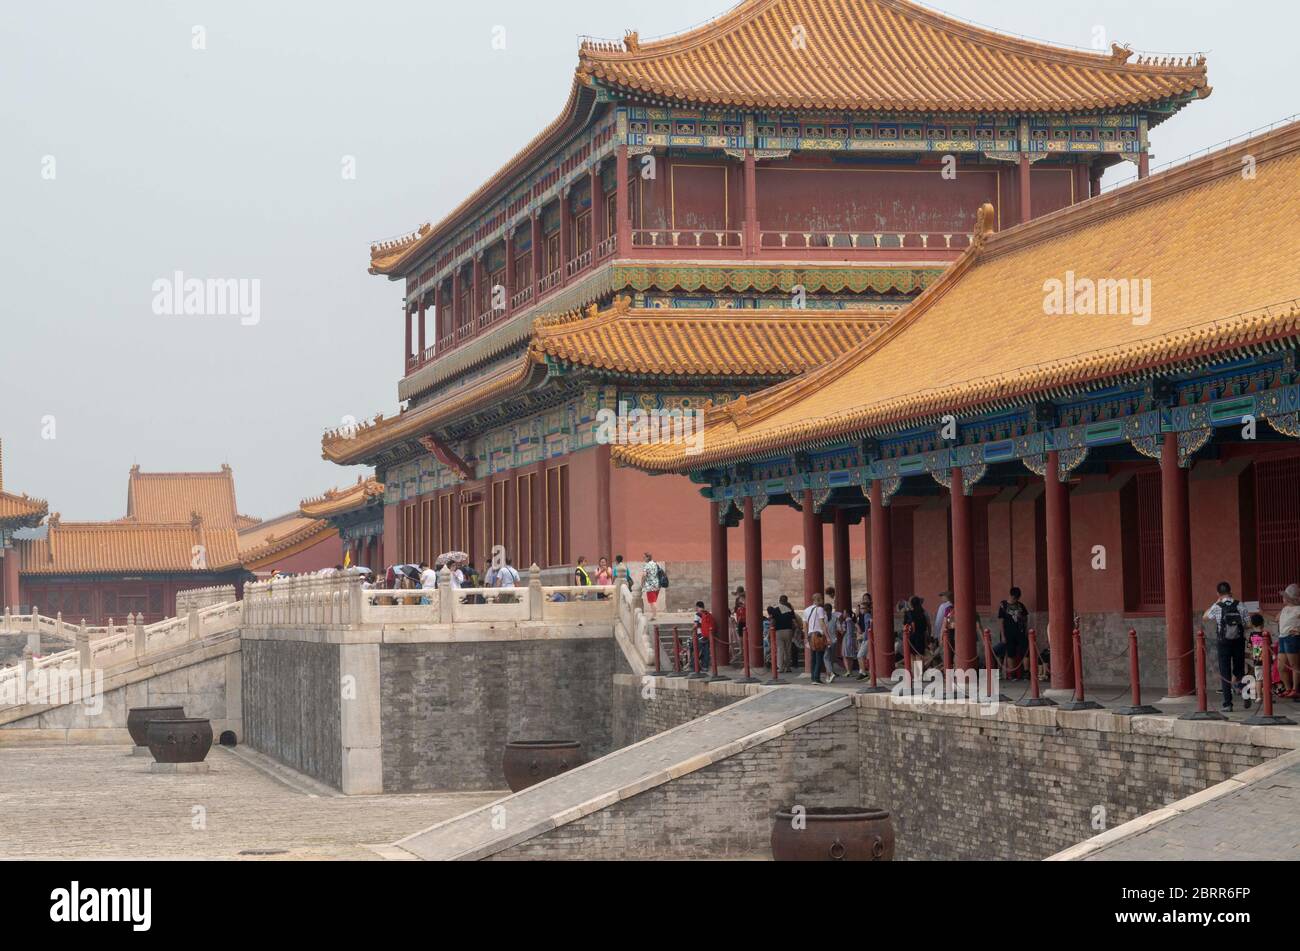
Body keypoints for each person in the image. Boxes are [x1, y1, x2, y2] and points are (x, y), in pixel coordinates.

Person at [1204, 581, 1247, 712]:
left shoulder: (1217, 606)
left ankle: (1228, 704)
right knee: (1239, 669)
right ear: (1230, 591)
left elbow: (1205, 617)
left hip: (1223, 643)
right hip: (1238, 641)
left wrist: (1217, 601)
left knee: (1225, 671)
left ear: (1218, 593)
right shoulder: (1240, 605)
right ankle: (1242, 689)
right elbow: (1247, 623)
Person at [995, 587, 1029, 679]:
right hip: (1008, 633)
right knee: (1011, 653)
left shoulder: (1021, 606)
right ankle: (1012, 675)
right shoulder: (1003, 605)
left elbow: (1026, 619)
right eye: (1014, 598)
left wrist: (1021, 618)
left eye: (1017, 598)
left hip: (1020, 632)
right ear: (1011, 595)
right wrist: (1003, 635)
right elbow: (1001, 621)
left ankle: (1026, 673)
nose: (1015, 600)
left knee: (1026, 651)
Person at [802, 593, 829, 684]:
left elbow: (805, 625)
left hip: (810, 635)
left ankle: (813, 677)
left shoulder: (806, 610)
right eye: (821, 599)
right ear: (818, 599)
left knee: (813, 657)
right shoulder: (820, 609)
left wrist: (805, 637)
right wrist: (828, 637)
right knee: (819, 657)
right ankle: (816, 678)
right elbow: (822, 623)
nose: (822, 600)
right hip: (818, 635)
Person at [1279, 584, 1300, 699]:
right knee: (1280, 667)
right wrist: (1262, 614)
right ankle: (1288, 688)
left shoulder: (1298, 609)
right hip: (1282, 637)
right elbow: (1276, 619)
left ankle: (1295, 689)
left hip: (1292, 638)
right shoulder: (1284, 609)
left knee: (1294, 665)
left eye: (1285, 597)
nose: (1283, 599)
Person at [770, 595, 796, 672]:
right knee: (788, 649)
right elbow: (794, 622)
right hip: (788, 630)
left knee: (780, 649)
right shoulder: (790, 610)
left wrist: (771, 630)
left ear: (780, 601)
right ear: (786, 601)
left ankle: (780, 667)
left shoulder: (775, 609)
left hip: (779, 631)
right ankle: (788, 667)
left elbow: (773, 621)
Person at [856, 593, 875, 681]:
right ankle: (866, 673)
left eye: (863, 608)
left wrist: (864, 636)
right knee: (868, 657)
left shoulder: (867, 615)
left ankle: (863, 673)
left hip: (867, 638)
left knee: (860, 655)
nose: (861, 610)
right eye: (861, 608)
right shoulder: (864, 615)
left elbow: (869, 626)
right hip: (866, 637)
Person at [904, 596, 929, 662]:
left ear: (911, 604)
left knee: (912, 656)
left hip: (911, 637)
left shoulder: (908, 613)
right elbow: (927, 626)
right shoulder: (923, 613)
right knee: (919, 656)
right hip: (921, 637)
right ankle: (919, 671)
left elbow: (905, 626)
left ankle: (914, 671)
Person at [694, 601, 716, 670]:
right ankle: (705, 666)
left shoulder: (697, 614)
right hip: (708, 634)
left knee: (697, 650)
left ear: (698, 607)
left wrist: (692, 630)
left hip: (700, 634)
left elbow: (695, 625)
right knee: (706, 650)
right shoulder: (707, 613)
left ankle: (694, 666)